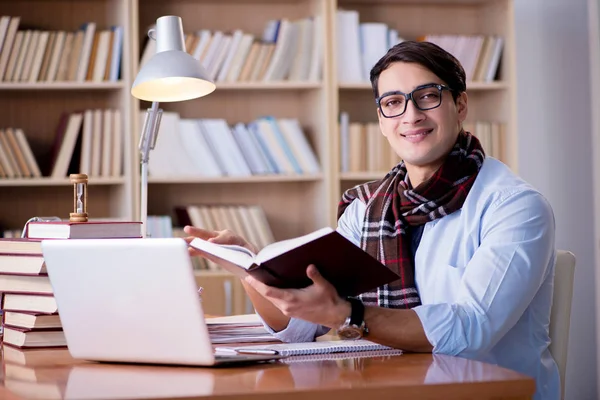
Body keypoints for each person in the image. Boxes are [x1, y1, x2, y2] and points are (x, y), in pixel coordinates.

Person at [184, 41, 559, 400]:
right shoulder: (365, 209)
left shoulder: (515, 206)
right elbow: (299, 329)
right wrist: (255, 272)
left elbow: (471, 328)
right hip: (383, 386)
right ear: (381, 120)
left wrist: (350, 314)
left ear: (460, 104)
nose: (411, 115)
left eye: (428, 96)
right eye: (393, 102)